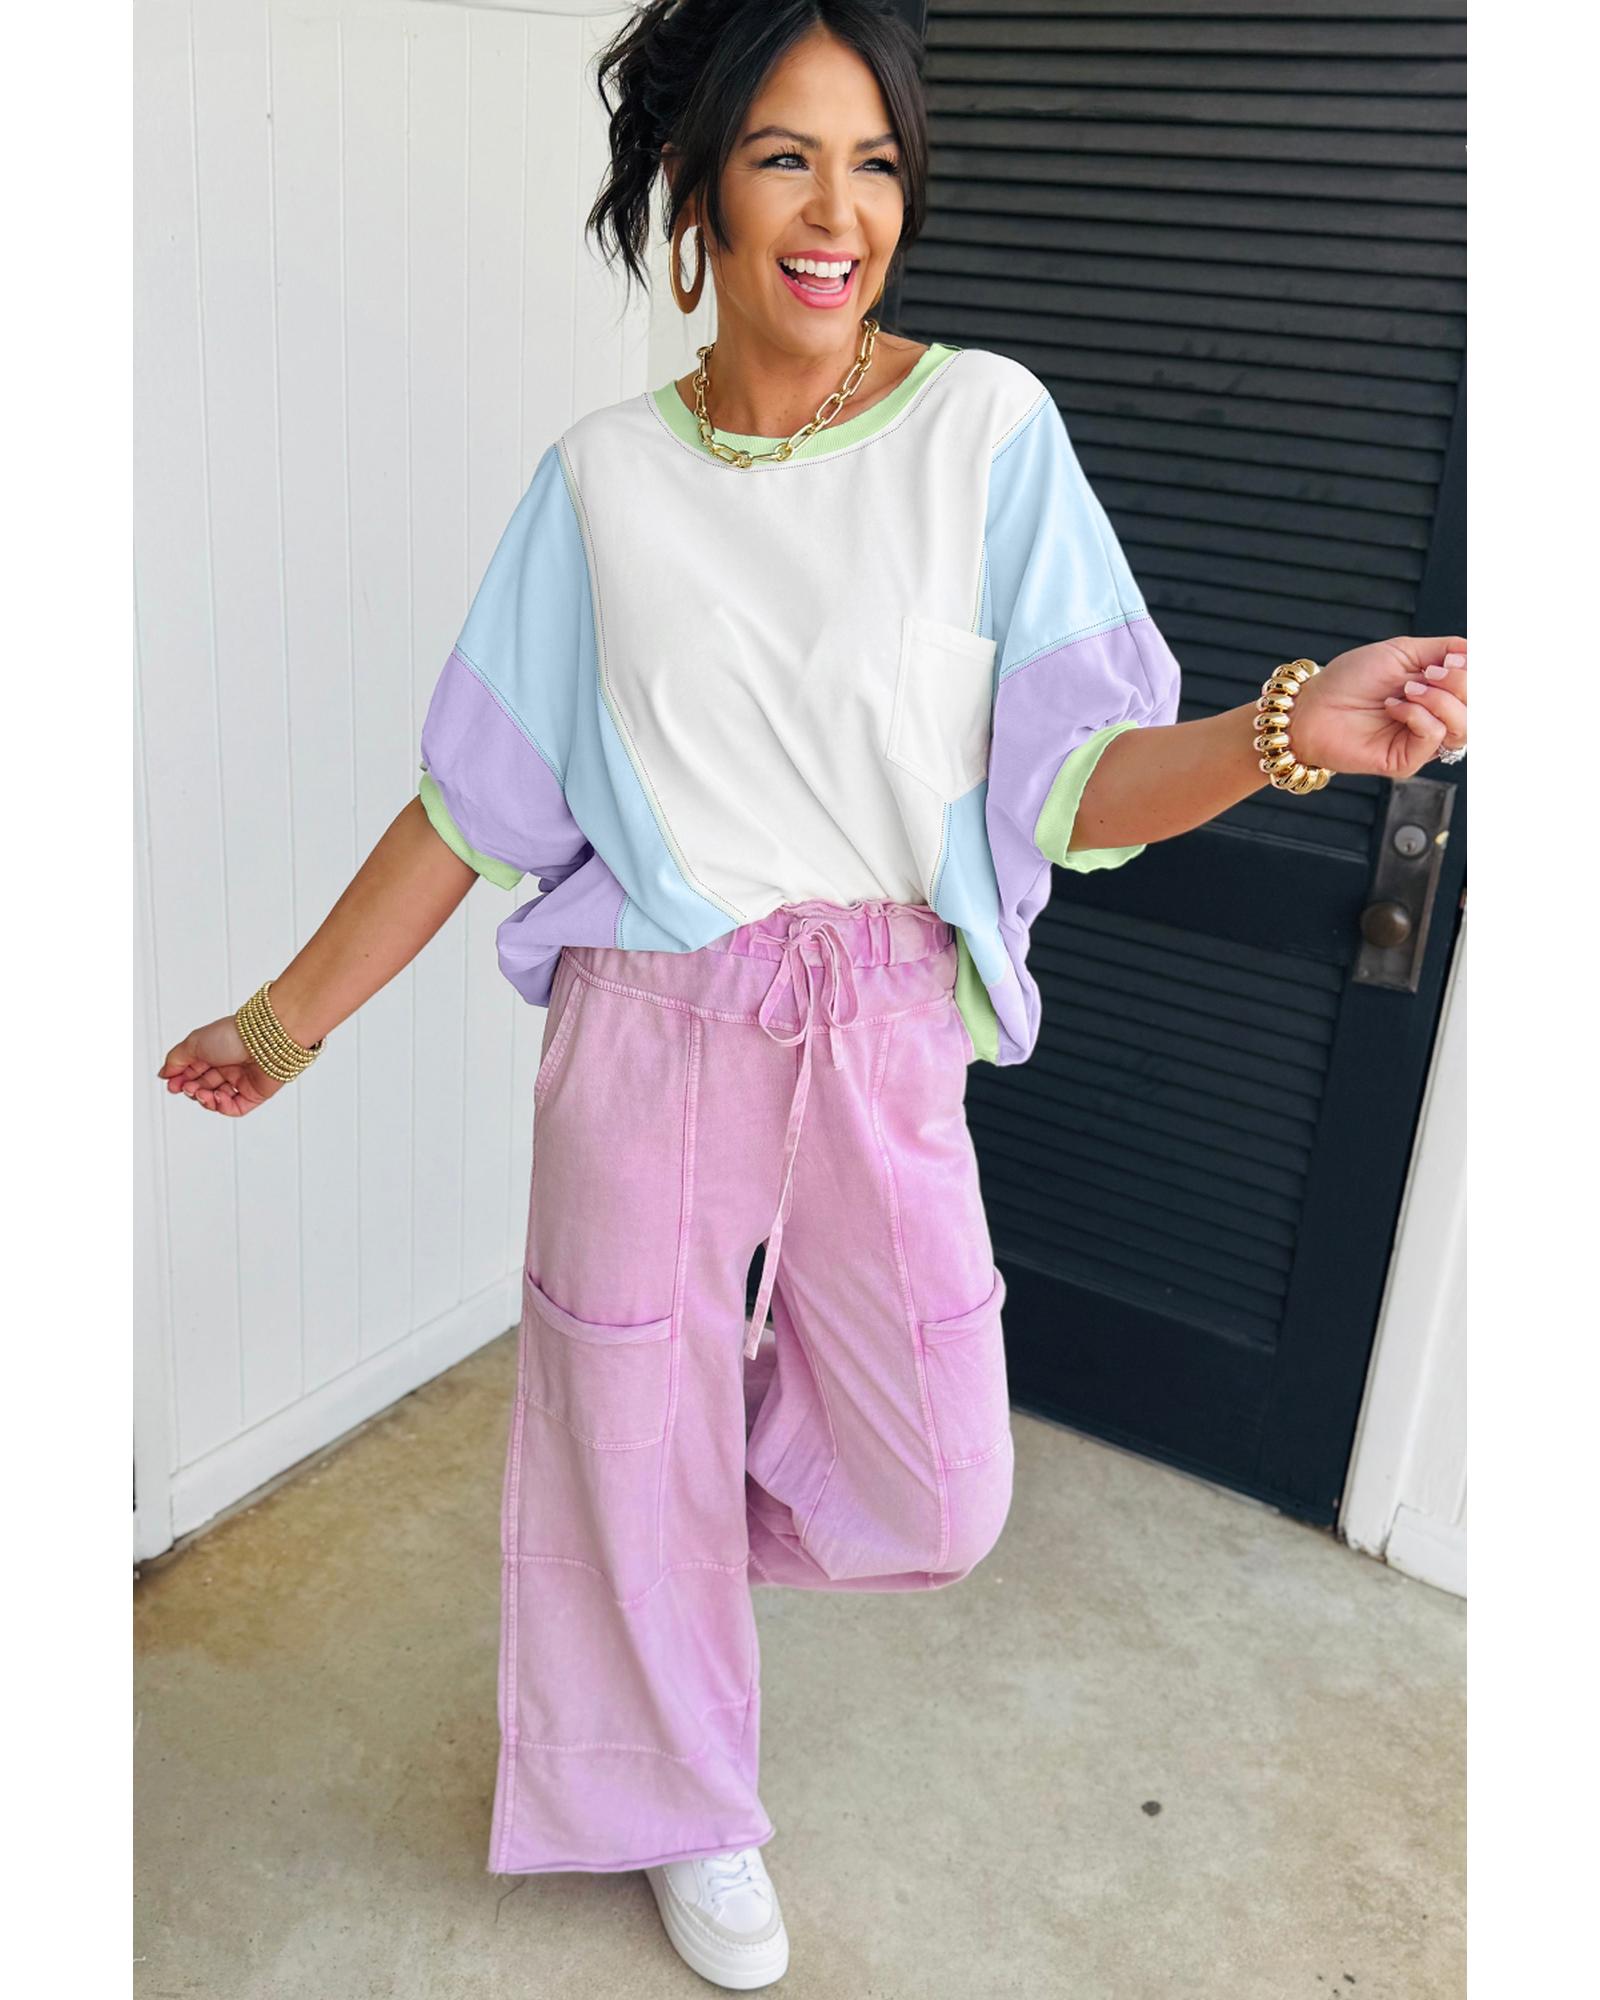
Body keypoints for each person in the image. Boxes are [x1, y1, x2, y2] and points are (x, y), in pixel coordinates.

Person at [157, 1, 1468, 1988]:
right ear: (697, 193)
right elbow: (471, 804)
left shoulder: (983, 432)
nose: (836, 210)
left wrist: (1291, 730)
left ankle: (651, 1553)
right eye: (784, 157)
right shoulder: (598, 483)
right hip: (648, 1010)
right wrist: (283, 1019)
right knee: (622, 1399)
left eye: (874, 163)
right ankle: (683, 1792)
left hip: (876, 1018)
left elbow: (1074, 780)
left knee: (936, 1478)